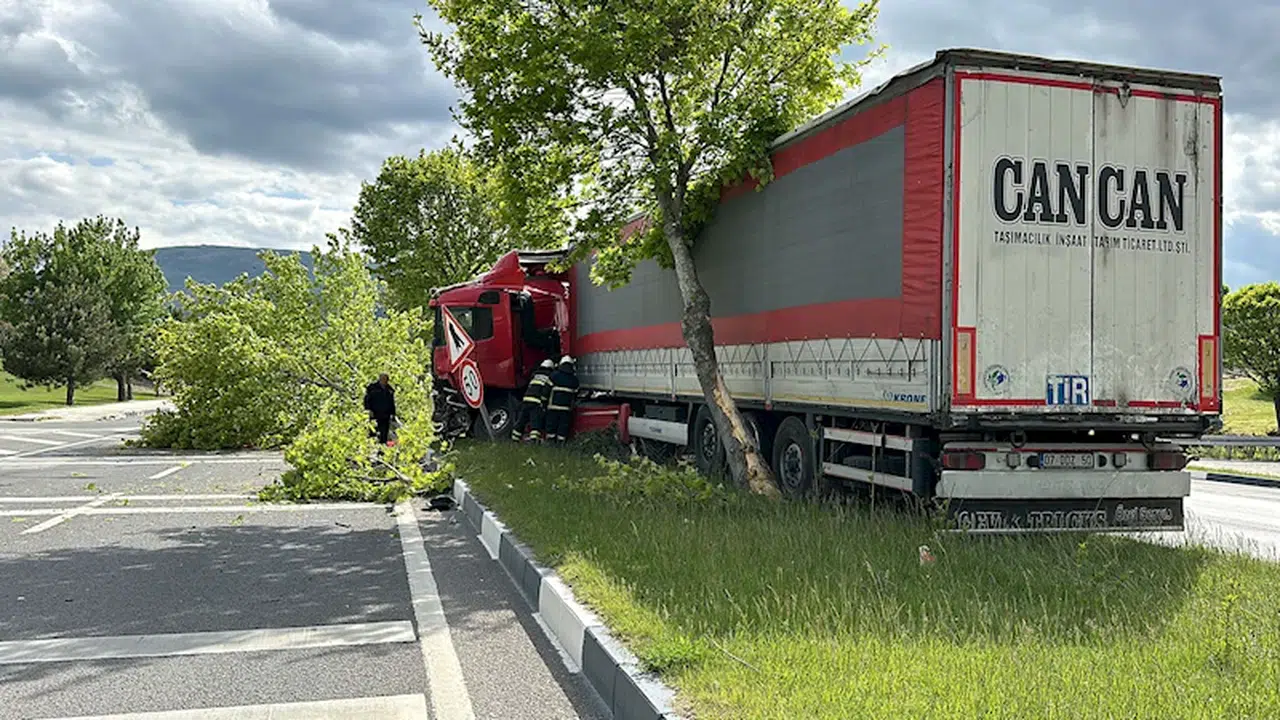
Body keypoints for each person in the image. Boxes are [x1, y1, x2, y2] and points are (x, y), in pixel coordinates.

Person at [512, 359, 555, 442]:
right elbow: (547, 391)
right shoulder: (550, 377)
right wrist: (544, 404)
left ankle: (514, 438)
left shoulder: (535, 375)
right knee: (535, 421)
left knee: (522, 420)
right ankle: (534, 440)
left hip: (526, 400)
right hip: (536, 402)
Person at [544, 356, 579, 443]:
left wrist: (543, 403)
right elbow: (576, 395)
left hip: (552, 407)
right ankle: (561, 443)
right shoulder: (574, 380)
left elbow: (546, 390)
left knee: (551, 426)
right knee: (563, 426)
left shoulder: (554, 375)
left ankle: (550, 443)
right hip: (566, 409)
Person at [363, 373, 396, 445]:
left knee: (384, 433)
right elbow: (367, 399)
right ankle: (371, 447)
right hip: (375, 413)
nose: (384, 381)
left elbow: (392, 402)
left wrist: (393, 414)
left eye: (386, 379)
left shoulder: (389, 390)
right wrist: (368, 410)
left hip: (385, 415)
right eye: (383, 379)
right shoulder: (372, 388)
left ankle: (382, 449)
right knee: (373, 431)